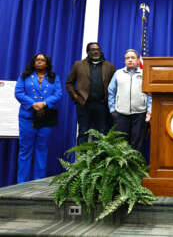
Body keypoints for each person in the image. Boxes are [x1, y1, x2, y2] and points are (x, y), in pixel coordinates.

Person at [14, 53, 62, 183]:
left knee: (42, 149)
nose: (39, 62)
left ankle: (38, 183)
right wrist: (33, 104)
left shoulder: (53, 77)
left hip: (45, 118)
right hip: (27, 117)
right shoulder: (24, 76)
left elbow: (58, 94)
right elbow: (18, 93)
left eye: (42, 60)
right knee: (25, 150)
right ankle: (21, 183)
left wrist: (44, 103)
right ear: (33, 62)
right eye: (37, 60)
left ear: (47, 63)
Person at [66, 42, 115, 145]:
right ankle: (81, 160)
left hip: (102, 105)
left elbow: (114, 87)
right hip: (84, 105)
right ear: (88, 52)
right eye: (92, 49)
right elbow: (69, 83)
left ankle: (100, 160)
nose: (96, 51)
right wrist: (76, 97)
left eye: (98, 49)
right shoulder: (78, 65)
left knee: (102, 133)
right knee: (83, 132)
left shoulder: (109, 66)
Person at [108, 49, 152, 156]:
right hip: (121, 114)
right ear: (125, 61)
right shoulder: (118, 73)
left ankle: (134, 169)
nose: (130, 60)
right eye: (127, 58)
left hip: (140, 114)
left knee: (137, 143)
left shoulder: (144, 73)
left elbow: (150, 94)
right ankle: (122, 171)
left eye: (132, 58)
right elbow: (111, 91)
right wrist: (112, 109)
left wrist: (149, 109)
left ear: (137, 60)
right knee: (121, 143)